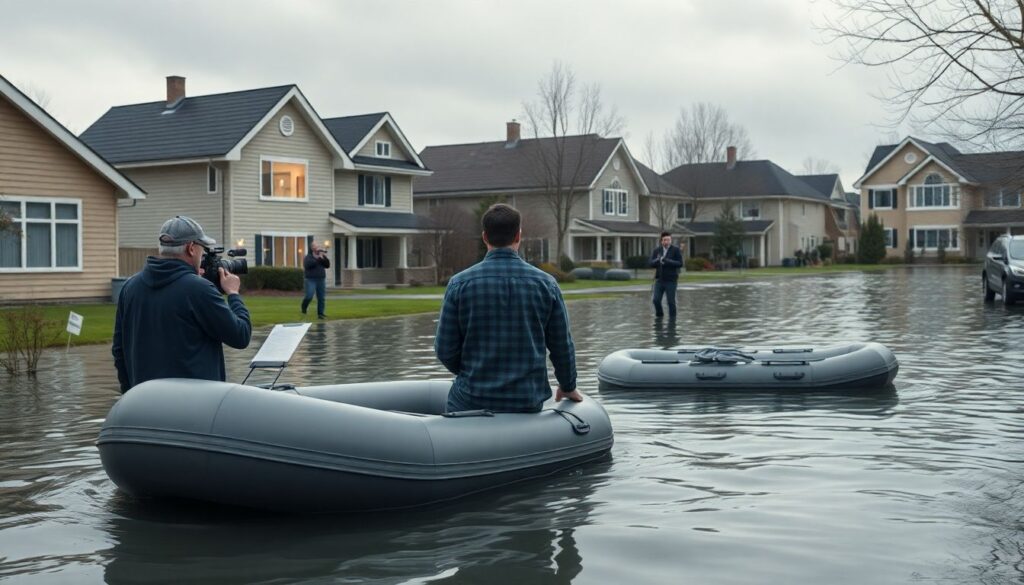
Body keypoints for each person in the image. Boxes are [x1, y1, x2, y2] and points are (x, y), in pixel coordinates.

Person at [434, 203, 582, 413]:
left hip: (470, 400)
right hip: (526, 401)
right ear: (518, 236)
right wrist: (568, 386)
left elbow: (444, 349)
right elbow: (561, 346)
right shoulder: (546, 284)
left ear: (484, 237)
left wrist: (473, 372)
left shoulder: (459, 284)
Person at [112, 216, 252, 393]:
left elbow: (119, 350)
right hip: (193, 407)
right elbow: (241, 335)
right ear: (191, 248)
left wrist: (131, 395)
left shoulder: (129, 287)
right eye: (202, 250)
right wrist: (233, 294)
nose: (203, 256)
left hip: (144, 404)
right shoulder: (198, 290)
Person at [649, 231, 683, 318]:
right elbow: (651, 263)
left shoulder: (675, 250)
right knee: (656, 300)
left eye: (668, 240)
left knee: (671, 302)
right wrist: (657, 260)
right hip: (659, 280)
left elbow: (680, 263)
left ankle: (672, 321)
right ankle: (659, 318)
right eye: (664, 240)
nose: (666, 242)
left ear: (671, 240)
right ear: (661, 241)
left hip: (671, 280)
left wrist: (667, 260)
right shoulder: (657, 250)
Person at [301, 241, 330, 319]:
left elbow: (327, 265)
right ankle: (304, 307)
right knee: (309, 296)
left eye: (318, 246)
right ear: (312, 248)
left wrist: (323, 258)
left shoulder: (321, 256)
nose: (317, 248)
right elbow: (308, 265)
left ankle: (320, 314)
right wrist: (317, 259)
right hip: (311, 279)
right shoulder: (308, 257)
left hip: (321, 279)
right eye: (315, 246)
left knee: (321, 297)